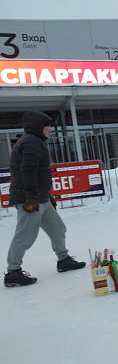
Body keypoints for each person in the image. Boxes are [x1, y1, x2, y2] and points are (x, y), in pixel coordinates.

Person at [4, 111, 86, 287]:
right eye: (47, 127)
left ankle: (63, 260)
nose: (50, 130)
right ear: (38, 127)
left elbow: (37, 173)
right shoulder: (31, 143)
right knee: (25, 235)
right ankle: (13, 272)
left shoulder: (34, 142)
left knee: (57, 228)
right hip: (29, 198)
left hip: (39, 197)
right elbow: (28, 170)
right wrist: (32, 196)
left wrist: (45, 195)